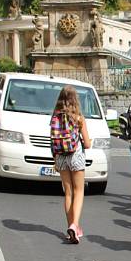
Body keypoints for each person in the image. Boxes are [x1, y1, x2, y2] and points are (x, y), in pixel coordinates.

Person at [50, 86, 92, 244]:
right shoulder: (79, 118)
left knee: (68, 193)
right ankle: (75, 226)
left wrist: (55, 158)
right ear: (75, 100)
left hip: (60, 156)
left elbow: (52, 140)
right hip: (76, 155)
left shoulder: (55, 117)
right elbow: (87, 144)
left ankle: (70, 229)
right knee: (79, 191)